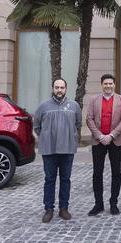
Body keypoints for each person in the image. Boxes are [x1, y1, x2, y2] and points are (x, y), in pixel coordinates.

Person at [33, 78, 82, 223]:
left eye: (62, 87)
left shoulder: (74, 106)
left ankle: (63, 208)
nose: (59, 90)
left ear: (66, 89)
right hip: (49, 150)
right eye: (57, 87)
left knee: (65, 179)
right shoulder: (43, 106)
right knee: (49, 179)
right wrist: (46, 137)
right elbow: (37, 125)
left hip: (67, 150)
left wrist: (72, 139)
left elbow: (78, 125)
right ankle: (48, 209)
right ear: (52, 88)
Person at [85, 73, 121, 216]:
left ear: (114, 85)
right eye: (105, 84)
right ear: (101, 85)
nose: (108, 86)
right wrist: (99, 136)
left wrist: (111, 135)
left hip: (115, 141)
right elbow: (89, 119)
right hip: (98, 141)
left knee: (116, 172)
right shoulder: (93, 100)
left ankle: (113, 203)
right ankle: (98, 204)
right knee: (97, 173)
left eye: (110, 83)